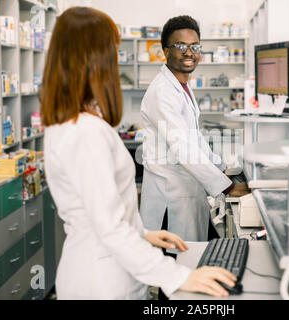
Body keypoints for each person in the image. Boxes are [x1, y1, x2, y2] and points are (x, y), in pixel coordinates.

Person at [40, 7, 236, 300]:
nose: (116, 58)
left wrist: (143, 235)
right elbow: (108, 228)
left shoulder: (74, 122)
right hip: (100, 281)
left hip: (108, 266)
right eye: (112, 49)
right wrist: (182, 276)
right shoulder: (84, 132)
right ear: (90, 57)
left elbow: (99, 213)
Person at [140, 15, 250, 242]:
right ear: (166, 51)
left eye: (194, 46)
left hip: (186, 193)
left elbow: (195, 139)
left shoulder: (182, 86)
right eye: (180, 46)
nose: (189, 52)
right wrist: (227, 187)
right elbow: (183, 148)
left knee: (192, 259)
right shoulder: (163, 92)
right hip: (169, 203)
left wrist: (223, 168)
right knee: (172, 265)